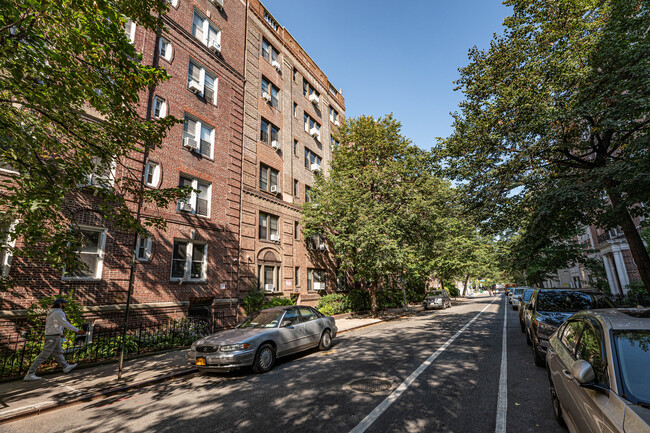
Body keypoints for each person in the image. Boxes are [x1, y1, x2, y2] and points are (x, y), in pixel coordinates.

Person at [23, 298, 84, 381]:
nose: (65, 305)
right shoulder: (58, 312)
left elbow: (55, 325)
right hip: (53, 337)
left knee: (58, 353)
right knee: (44, 355)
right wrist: (77, 330)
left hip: (54, 335)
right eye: (64, 303)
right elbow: (64, 323)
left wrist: (61, 333)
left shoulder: (52, 312)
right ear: (60, 304)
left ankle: (65, 366)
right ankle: (30, 373)